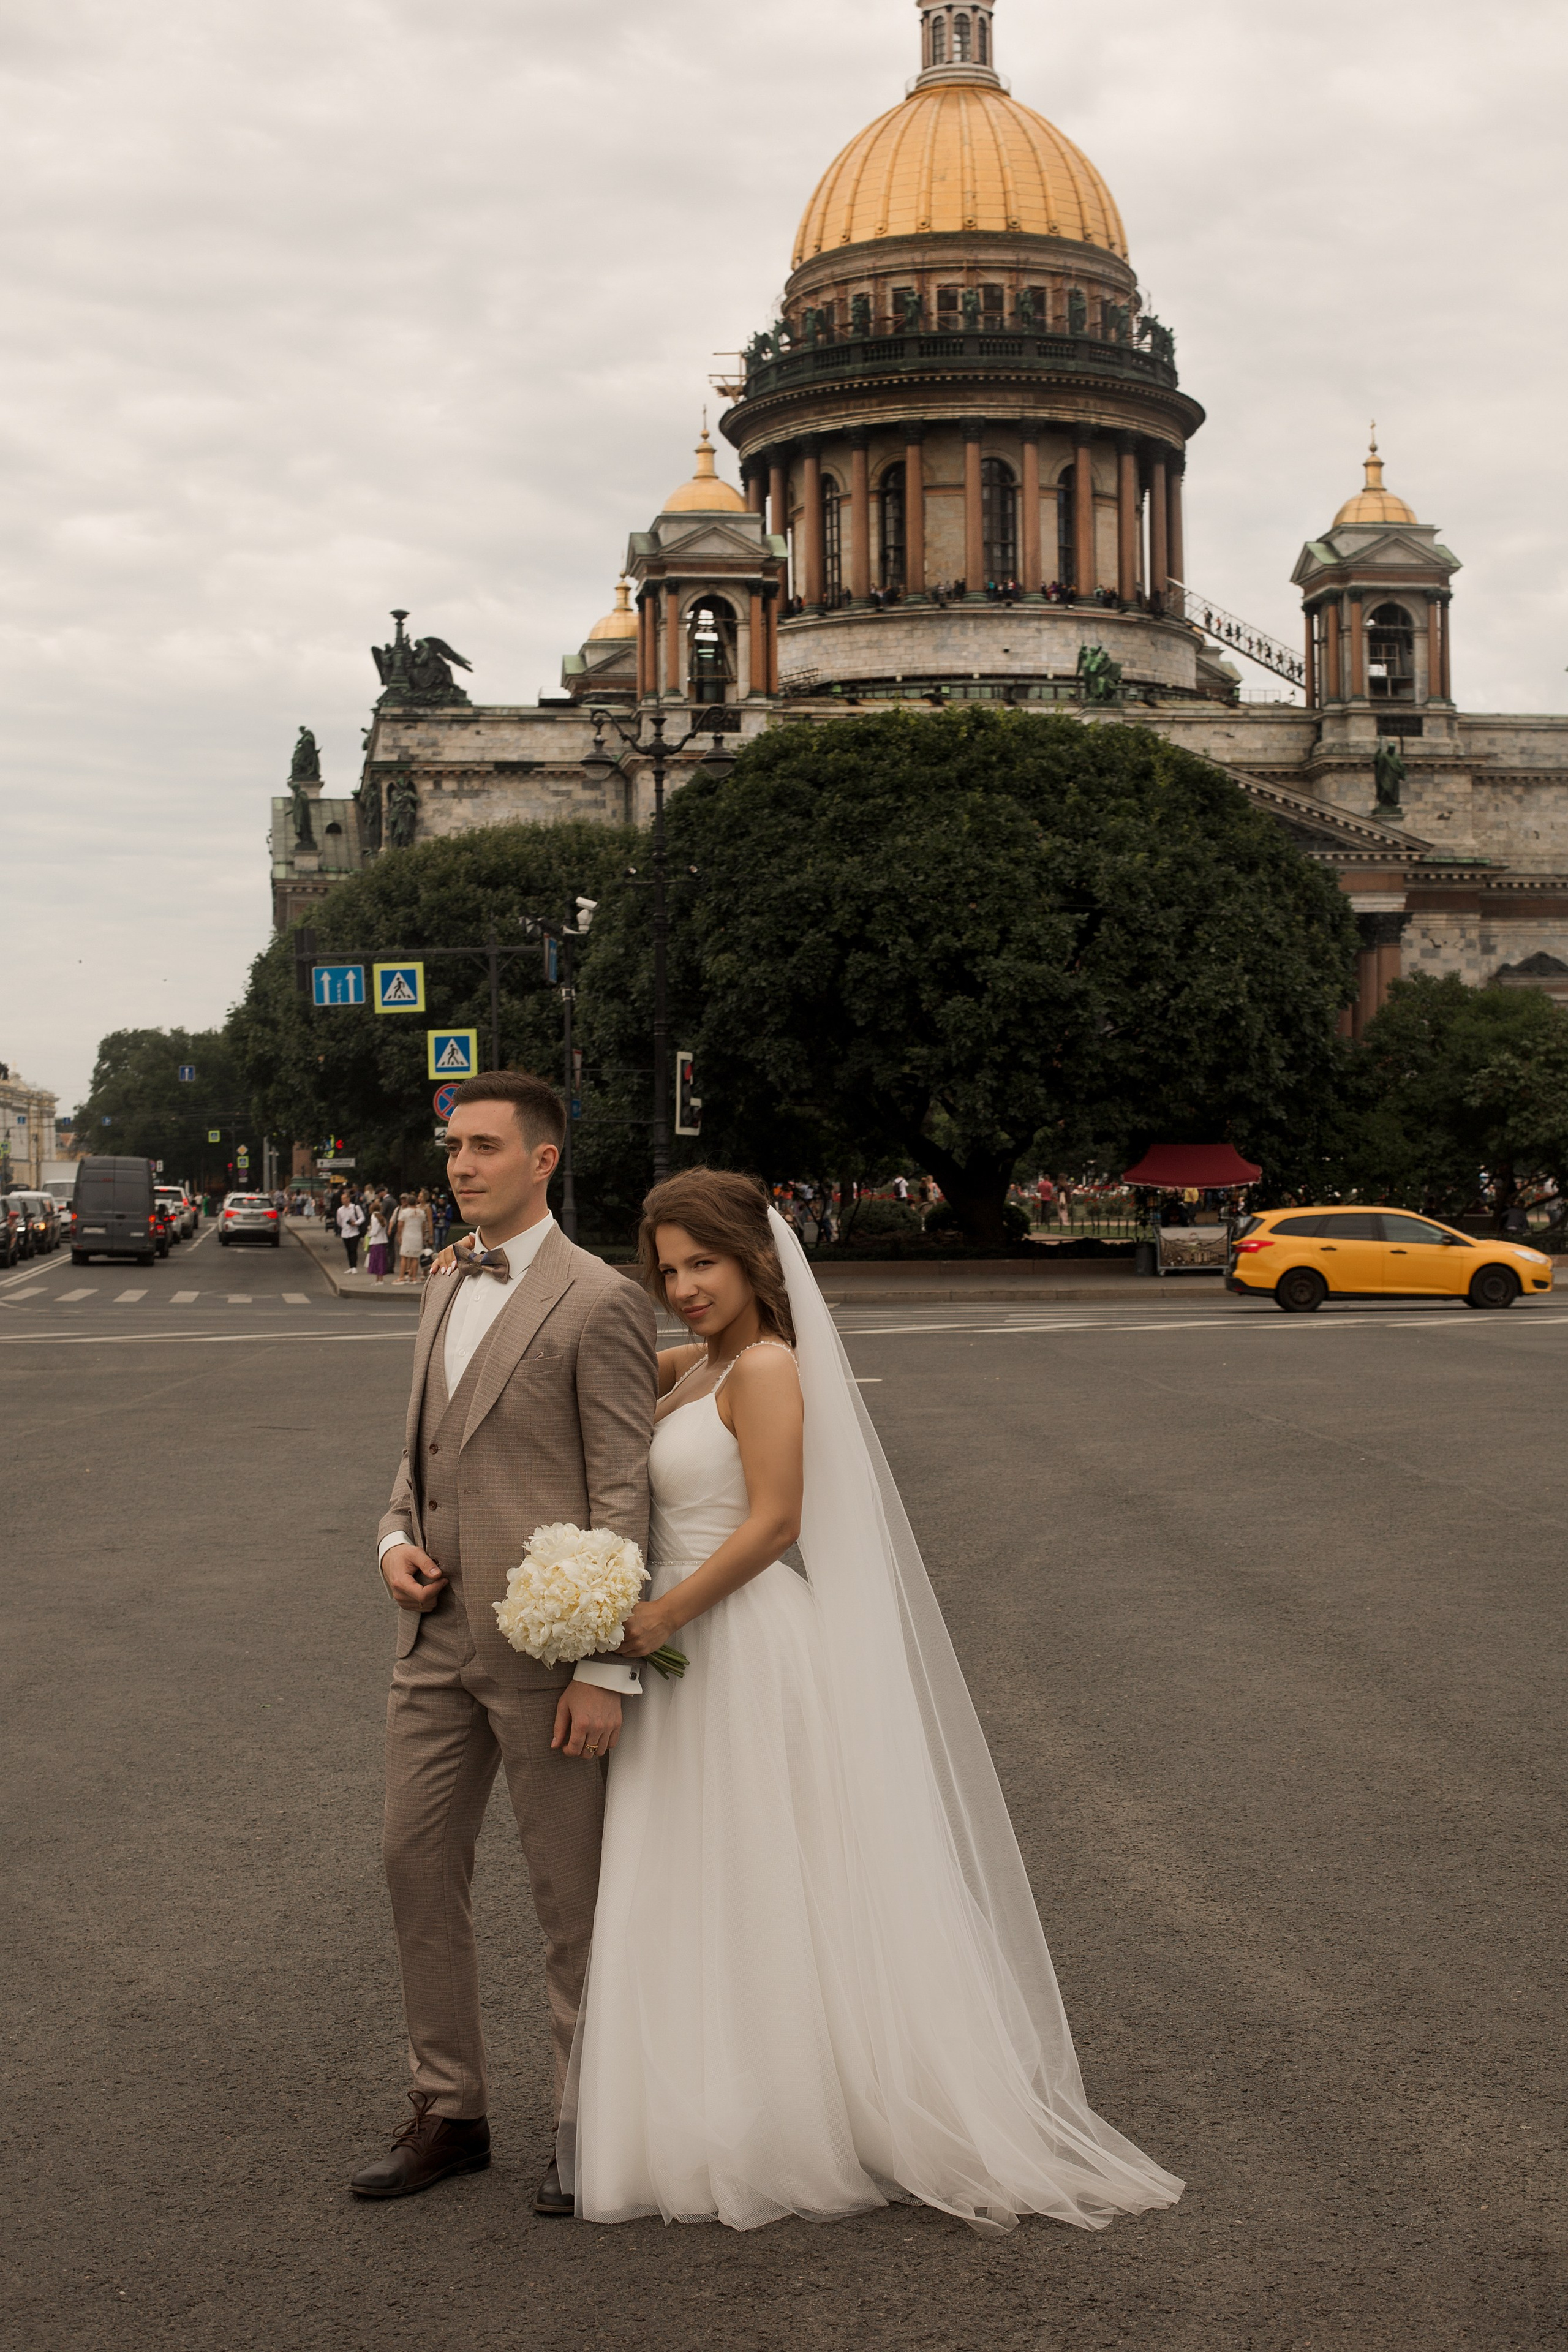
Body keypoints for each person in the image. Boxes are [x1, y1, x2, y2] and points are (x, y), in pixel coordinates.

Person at [557, 1169, 1183, 2234]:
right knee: (703, 1878)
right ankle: (724, 2108)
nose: (684, 1286)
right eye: (666, 1270)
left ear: (755, 1258)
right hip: (688, 1652)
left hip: (738, 1644)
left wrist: (662, 1618)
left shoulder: (763, 1368)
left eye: (702, 1262)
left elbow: (776, 1525)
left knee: (766, 1877)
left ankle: (798, 2117)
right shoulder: (697, 1365)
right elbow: (581, 1360)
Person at [350, 1070, 657, 2215]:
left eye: (483, 1146)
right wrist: (389, 1543)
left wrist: (605, 1666)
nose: (458, 1164)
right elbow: (417, 1458)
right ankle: (451, 2110)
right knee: (411, 1861)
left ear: (543, 1160)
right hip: (431, 1637)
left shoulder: (600, 1301)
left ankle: (594, 2121)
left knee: (567, 1894)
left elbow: (625, 1494)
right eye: (453, 1146)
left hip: (547, 1652)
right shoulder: (441, 1278)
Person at [395, 1192, 426, 1284]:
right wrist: (423, 1235)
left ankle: (402, 1277)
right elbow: (424, 1225)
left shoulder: (404, 1212)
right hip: (418, 1235)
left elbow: (400, 1224)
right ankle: (414, 1277)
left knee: (404, 1256)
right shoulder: (421, 1213)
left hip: (407, 1235)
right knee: (415, 1257)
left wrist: (399, 1235)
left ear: (408, 1202)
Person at [336, 1189, 366, 1271]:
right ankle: (351, 1266)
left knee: (353, 1249)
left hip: (354, 1232)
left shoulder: (355, 1207)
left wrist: (356, 1223)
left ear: (349, 1199)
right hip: (345, 1232)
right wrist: (344, 1226)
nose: (343, 1201)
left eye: (345, 1199)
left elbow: (362, 1217)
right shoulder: (340, 1210)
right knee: (348, 1250)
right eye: (342, 1199)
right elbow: (339, 1221)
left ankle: (354, 1267)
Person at [364, 1202, 391, 1284]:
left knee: (376, 1261)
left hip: (376, 1242)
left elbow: (374, 1232)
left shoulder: (374, 1218)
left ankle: (379, 1280)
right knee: (381, 1261)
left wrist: (369, 1231)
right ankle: (379, 1279)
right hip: (382, 1241)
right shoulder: (382, 1218)